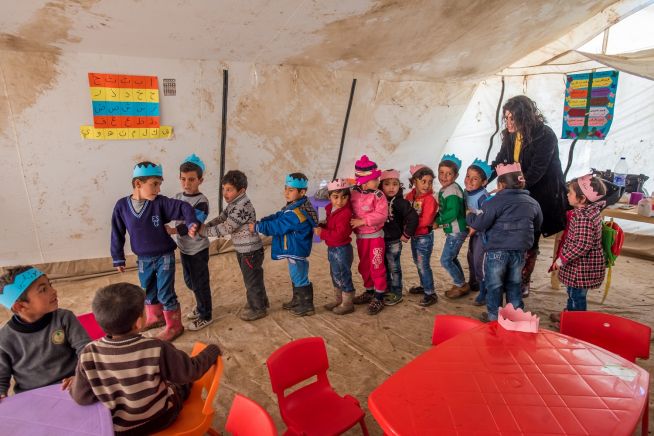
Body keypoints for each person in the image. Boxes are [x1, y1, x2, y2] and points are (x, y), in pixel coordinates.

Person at [70, 283, 221, 435]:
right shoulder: (155, 347)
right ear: (138, 322)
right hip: (161, 418)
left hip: (120, 430)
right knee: (180, 384)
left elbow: (81, 398)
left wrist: (73, 385)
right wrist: (212, 350)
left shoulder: (88, 354)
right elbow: (191, 371)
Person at [111, 161, 200, 341]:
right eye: (154, 184)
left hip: (164, 256)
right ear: (138, 184)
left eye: (160, 184)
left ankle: (175, 326)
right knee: (148, 290)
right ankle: (156, 317)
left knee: (165, 291)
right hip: (143, 258)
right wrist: (118, 258)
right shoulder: (121, 206)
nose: (158, 189)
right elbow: (117, 232)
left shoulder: (160, 203)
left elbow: (184, 207)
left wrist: (191, 222)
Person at [491, 95, 567, 297]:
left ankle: (523, 280)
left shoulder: (545, 136)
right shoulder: (510, 134)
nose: (507, 122)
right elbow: (500, 160)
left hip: (541, 194)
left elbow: (535, 172)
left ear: (524, 117)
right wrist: (483, 176)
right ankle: (510, 274)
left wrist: (508, 188)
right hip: (517, 190)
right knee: (513, 235)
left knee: (529, 238)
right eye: (505, 117)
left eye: (512, 118)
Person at [466, 163, 543, 322]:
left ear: (500, 185)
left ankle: (494, 316)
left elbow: (480, 224)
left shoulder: (493, 202)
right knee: (514, 283)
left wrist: (470, 217)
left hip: (497, 251)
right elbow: (537, 224)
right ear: (521, 183)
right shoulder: (532, 202)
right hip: (520, 252)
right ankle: (516, 315)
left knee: (494, 284)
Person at [0, 266, 90, 398]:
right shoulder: (4, 339)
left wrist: (81, 377)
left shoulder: (64, 318)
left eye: (50, 285)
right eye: (43, 290)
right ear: (20, 306)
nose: (53, 291)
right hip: (32, 398)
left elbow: (86, 351)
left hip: (72, 387)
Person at [202, 170, 270, 321]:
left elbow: (227, 227)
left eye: (229, 190)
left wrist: (205, 231)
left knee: (251, 280)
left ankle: (258, 308)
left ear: (242, 190)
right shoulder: (233, 203)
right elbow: (222, 218)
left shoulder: (242, 207)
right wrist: (207, 225)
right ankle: (261, 302)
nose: (225, 193)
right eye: (223, 189)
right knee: (253, 278)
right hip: (243, 249)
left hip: (250, 251)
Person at [252, 173, 318, 316]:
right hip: (293, 248)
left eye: (291, 190)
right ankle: (297, 299)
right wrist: (265, 220)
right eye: (286, 189)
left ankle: (307, 305)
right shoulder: (294, 206)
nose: (286, 193)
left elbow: (279, 225)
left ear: (302, 192)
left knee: (300, 277)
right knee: (296, 276)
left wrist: (259, 227)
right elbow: (279, 216)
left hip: (296, 250)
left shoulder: (297, 213)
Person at [167, 154, 213, 331]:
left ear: (200, 180)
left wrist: (172, 230)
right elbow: (168, 211)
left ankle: (205, 314)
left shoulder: (202, 202)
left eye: (192, 179)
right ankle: (201, 305)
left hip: (198, 250)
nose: (187, 183)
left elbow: (192, 223)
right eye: (183, 179)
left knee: (200, 283)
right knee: (190, 281)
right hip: (184, 248)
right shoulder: (179, 196)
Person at [550, 175, 606, 317]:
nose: (567, 194)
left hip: (581, 268)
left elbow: (582, 245)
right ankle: (569, 315)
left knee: (576, 296)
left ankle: (576, 321)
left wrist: (562, 259)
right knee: (573, 293)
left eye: (570, 192)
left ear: (582, 199)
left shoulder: (584, 218)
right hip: (580, 266)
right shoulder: (588, 212)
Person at [350, 155, 389, 315]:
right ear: (364, 182)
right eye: (375, 178)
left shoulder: (378, 195)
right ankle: (369, 291)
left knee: (376, 265)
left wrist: (363, 221)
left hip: (375, 238)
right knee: (364, 265)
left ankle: (379, 296)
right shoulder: (353, 193)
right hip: (361, 239)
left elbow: (382, 215)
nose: (378, 181)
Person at [315, 179, 356, 315]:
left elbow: (339, 235)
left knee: (343, 274)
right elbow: (332, 226)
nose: (340, 201)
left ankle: (348, 303)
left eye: (344, 197)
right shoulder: (330, 209)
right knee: (335, 273)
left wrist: (323, 232)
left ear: (348, 197)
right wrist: (323, 226)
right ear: (329, 197)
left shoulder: (345, 213)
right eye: (335, 197)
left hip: (342, 249)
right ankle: (339, 300)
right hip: (333, 248)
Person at [380, 169, 418, 306]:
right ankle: (387, 289)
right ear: (381, 186)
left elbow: (413, 217)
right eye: (387, 184)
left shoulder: (401, 203)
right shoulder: (378, 200)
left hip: (394, 241)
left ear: (399, 186)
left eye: (395, 184)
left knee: (394, 267)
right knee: (384, 266)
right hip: (380, 240)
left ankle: (397, 292)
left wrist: (406, 234)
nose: (391, 187)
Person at [435, 154, 470, 299]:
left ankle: (460, 284)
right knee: (452, 257)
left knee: (445, 260)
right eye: (441, 173)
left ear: (456, 176)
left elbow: (453, 212)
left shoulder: (452, 190)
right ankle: (461, 283)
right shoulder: (447, 188)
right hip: (454, 230)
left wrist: (439, 221)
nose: (444, 176)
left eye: (449, 174)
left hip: (457, 230)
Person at [404, 164, 438, 306]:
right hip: (415, 236)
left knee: (423, 264)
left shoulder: (429, 199)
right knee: (417, 262)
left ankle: (430, 293)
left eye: (430, 182)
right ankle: (424, 285)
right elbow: (404, 212)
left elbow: (427, 220)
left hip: (424, 237)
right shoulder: (409, 196)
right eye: (423, 181)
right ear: (414, 181)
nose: (427, 185)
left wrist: (409, 227)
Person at [464, 159, 492, 306]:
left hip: (484, 235)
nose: (469, 181)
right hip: (475, 232)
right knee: (471, 257)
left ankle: (484, 292)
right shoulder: (467, 192)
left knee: (480, 262)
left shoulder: (483, 198)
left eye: (475, 179)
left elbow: (486, 219)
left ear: (484, 182)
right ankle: (474, 282)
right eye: (468, 176)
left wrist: (473, 223)